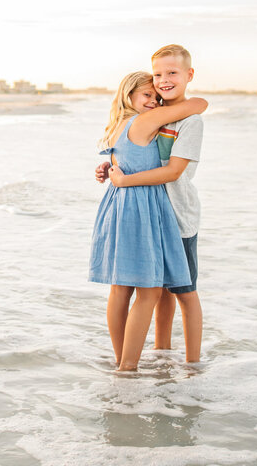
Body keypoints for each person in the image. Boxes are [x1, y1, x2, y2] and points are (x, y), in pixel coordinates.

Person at [90, 71, 208, 372]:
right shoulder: (143, 122)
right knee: (151, 291)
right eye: (147, 95)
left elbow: (122, 160)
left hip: (118, 207)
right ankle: (128, 366)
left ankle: (121, 359)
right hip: (139, 209)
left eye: (156, 97)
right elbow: (197, 104)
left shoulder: (117, 125)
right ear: (128, 95)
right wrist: (175, 97)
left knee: (120, 289)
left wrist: (109, 169)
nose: (154, 102)